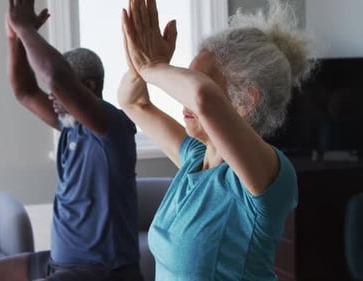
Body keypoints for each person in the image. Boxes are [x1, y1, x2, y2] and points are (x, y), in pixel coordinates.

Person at [119, 0, 314, 280]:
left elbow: (202, 97)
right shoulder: (195, 157)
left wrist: (153, 67)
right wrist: (139, 68)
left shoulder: (268, 173)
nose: (182, 94)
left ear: (244, 101)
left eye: (194, 79)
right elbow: (133, 102)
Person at [0, 0, 143, 280]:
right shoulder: (70, 125)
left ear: (88, 88)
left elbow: (55, 78)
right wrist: (14, 36)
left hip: (99, 271)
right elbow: (24, 90)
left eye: (59, 94)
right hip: (60, 263)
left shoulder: (111, 128)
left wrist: (25, 28)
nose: (52, 97)